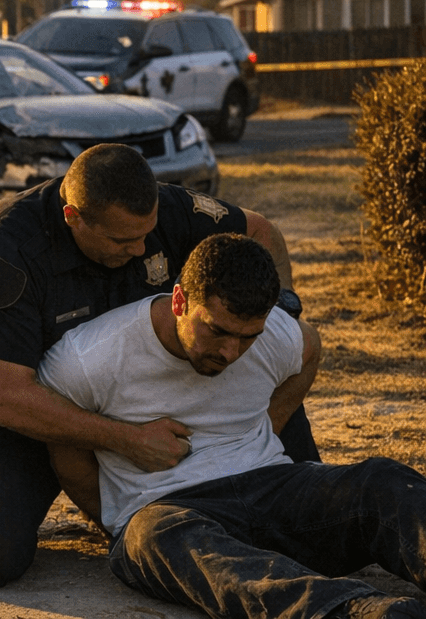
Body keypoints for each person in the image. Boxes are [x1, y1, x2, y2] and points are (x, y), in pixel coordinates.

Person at [0, 142, 319, 588]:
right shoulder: (4, 249)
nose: (141, 249)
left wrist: (278, 316)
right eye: (123, 240)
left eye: (147, 234)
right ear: (73, 217)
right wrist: (127, 440)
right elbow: (3, 398)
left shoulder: (159, 211)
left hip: (96, 382)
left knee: (305, 518)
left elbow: (259, 232)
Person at [37, 233, 426, 619]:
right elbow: (63, 441)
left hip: (270, 486)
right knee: (152, 537)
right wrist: (116, 517)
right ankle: (359, 613)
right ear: (179, 301)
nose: (230, 352)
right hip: (171, 511)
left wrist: (266, 431)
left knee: (381, 481)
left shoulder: (272, 333)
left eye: (247, 337)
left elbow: (309, 347)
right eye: (217, 331)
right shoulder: (90, 356)